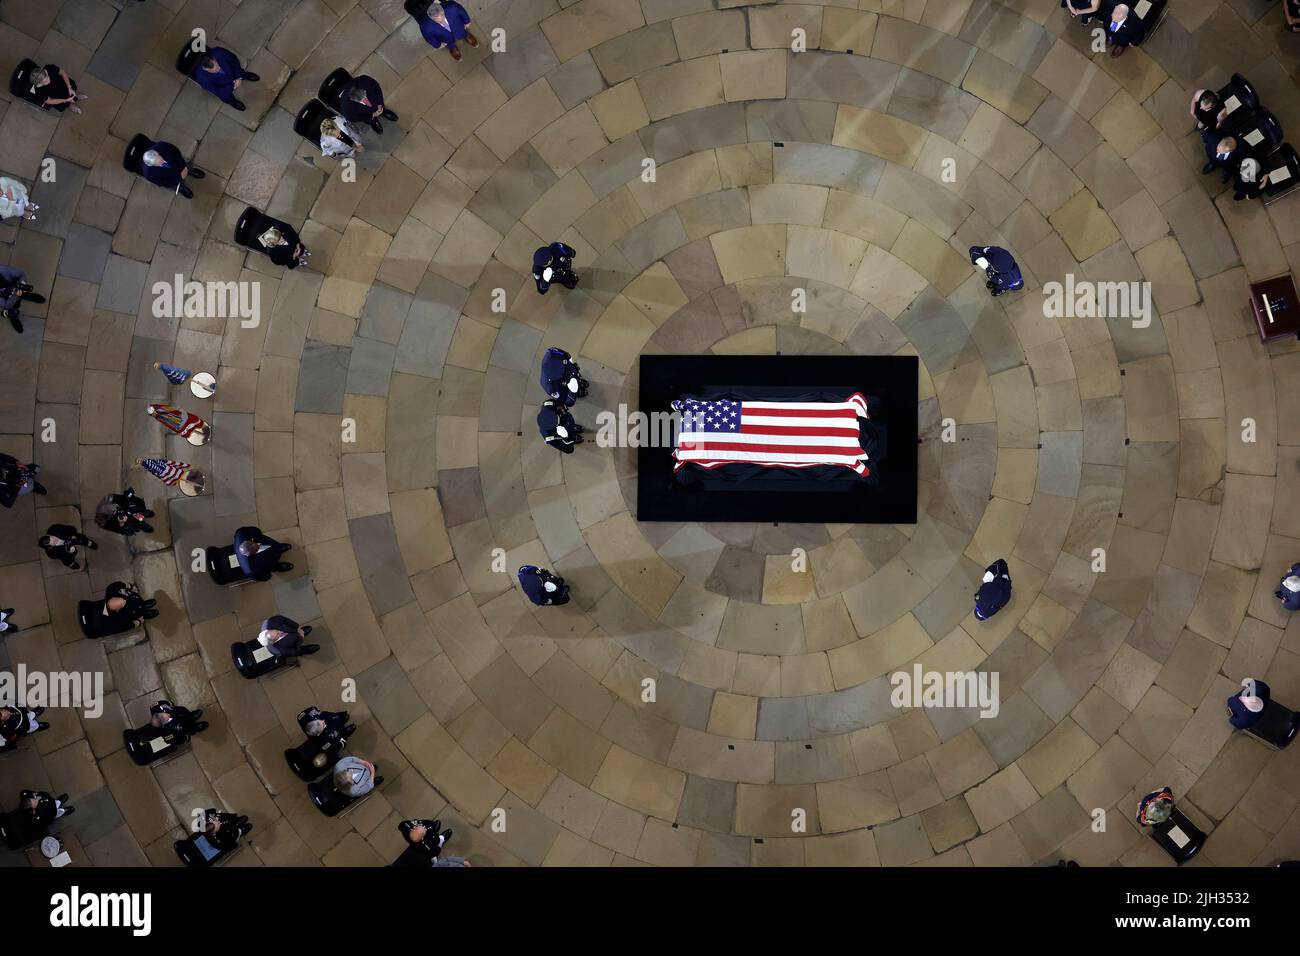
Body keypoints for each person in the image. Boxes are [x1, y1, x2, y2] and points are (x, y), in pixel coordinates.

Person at [192, 47, 259, 111]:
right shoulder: (202, 79)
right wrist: (233, 85)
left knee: (239, 71)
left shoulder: (218, 52)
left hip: (233, 72)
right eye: (215, 70)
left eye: (217, 65)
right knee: (226, 97)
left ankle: (244, 75)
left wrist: (238, 76)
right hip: (223, 86)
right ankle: (233, 101)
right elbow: (220, 92)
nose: (218, 69)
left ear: (213, 58)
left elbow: (234, 60)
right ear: (206, 69)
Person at [140, 140, 205, 199]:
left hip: (178, 164)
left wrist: (183, 166)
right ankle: (181, 188)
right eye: (158, 163)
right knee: (174, 185)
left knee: (186, 165)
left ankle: (190, 170)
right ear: (151, 165)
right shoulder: (149, 174)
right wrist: (179, 178)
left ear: (158, 153)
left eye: (160, 158)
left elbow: (176, 151)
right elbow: (162, 182)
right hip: (170, 178)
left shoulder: (162, 145)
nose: (161, 161)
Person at [393, 818, 469, 867]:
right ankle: (442, 839)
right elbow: (435, 852)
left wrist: (430, 826)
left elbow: (402, 825)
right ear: (422, 838)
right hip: (428, 853)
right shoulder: (428, 847)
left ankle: (434, 827)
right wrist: (438, 846)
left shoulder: (408, 828)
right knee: (436, 845)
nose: (423, 827)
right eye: (424, 829)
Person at [0, 264, 45, 334]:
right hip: (6, 298)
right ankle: (13, 315)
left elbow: (21, 274)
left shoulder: (1, 269)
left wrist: (22, 285)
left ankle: (28, 295)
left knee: (21, 289)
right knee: (12, 307)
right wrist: (16, 294)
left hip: (13, 285)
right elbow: (6, 304)